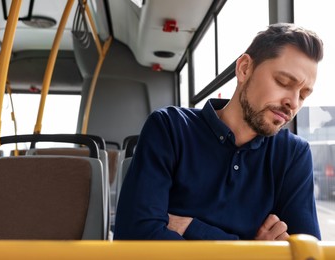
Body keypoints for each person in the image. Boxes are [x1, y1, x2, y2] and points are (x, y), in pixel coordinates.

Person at [114, 23, 324, 240]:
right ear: (244, 68)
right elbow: (135, 237)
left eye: (303, 95)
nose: (293, 102)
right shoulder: (169, 127)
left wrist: (190, 228)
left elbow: (305, 253)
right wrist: (255, 251)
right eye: (283, 82)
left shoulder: (293, 154)